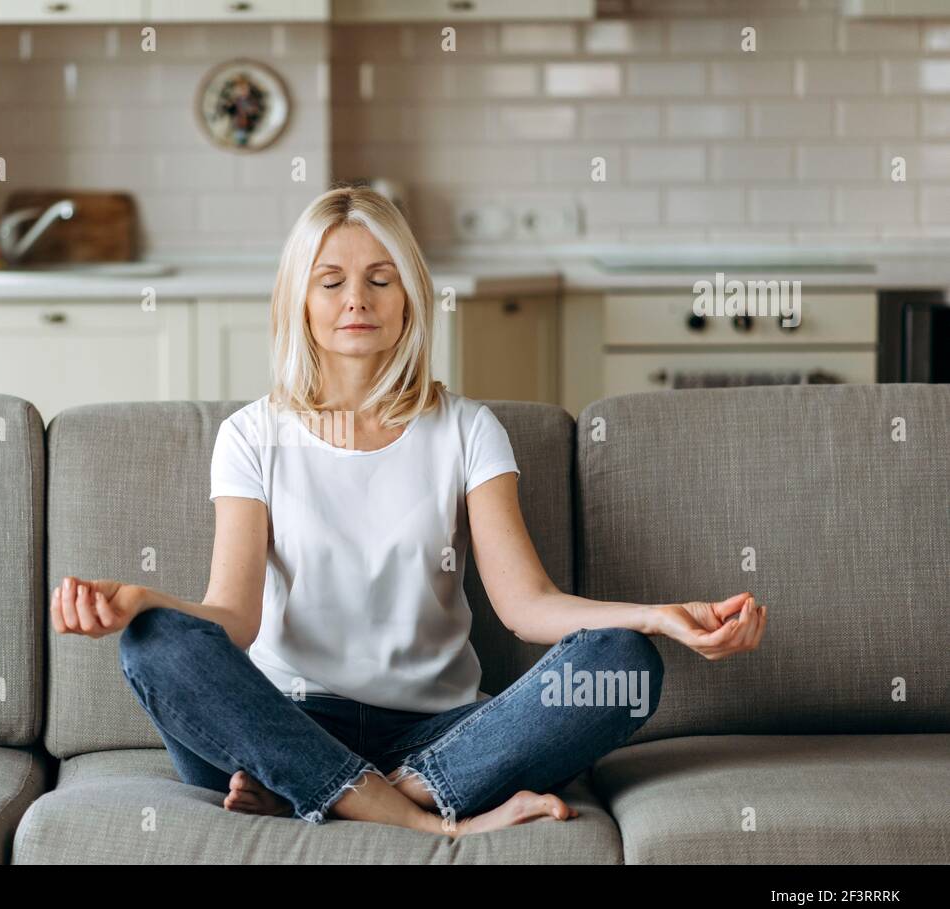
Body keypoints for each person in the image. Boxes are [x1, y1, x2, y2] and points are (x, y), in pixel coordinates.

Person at [50, 184, 766, 838]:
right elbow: (234, 621)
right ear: (300, 301)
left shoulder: (467, 429)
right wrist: (144, 601)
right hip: (281, 724)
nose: (355, 300)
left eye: (379, 280)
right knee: (154, 643)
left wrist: (652, 618)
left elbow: (526, 605)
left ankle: (348, 794)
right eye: (330, 283)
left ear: (409, 300)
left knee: (625, 665)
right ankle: (429, 820)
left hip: (442, 736)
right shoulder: (251, 435)